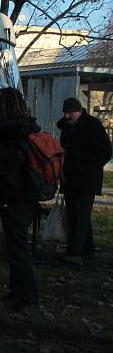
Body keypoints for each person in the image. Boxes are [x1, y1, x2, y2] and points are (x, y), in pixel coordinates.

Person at [0, 87, 41, 310]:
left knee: (18, 249)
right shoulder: (28, 127)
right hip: (28, 195)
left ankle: (26, 297)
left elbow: (3, 166)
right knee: (17, 247)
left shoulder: (6, 132)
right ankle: (17, 292)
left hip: (13, 196)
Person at [57, 97, 112, 266]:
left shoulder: (92, 126)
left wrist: (89, 167)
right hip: (72, 178)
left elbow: (105, 151)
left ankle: (74, 253)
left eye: (70, 113)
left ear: (79, 111)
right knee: (78, 216)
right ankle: (87, 250)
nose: (67, 116)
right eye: (65, 113)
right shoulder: (68, 127)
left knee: (79, 215)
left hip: (87, 179)